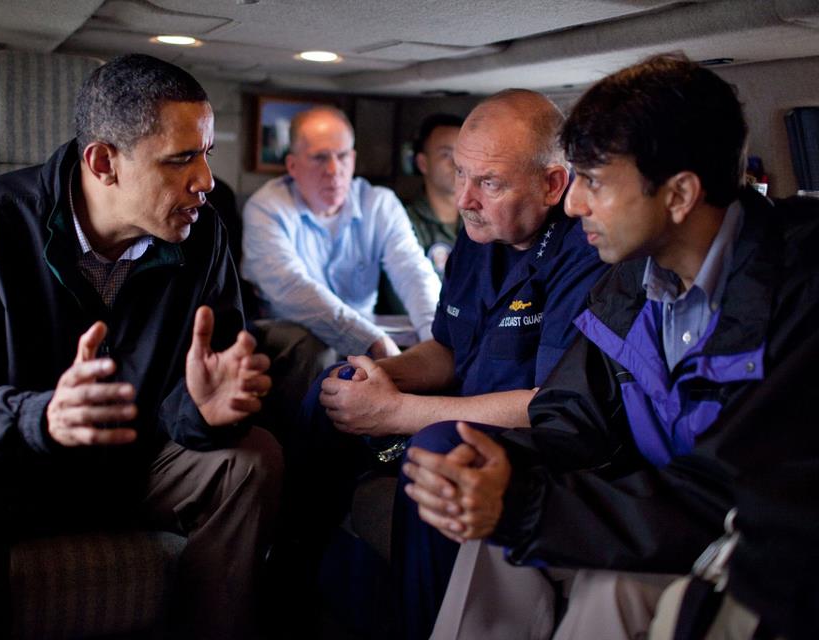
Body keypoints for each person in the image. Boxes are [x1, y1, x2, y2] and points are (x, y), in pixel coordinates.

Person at [404, 54, 819, 640]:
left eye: (594, 182)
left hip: (762, 544)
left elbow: (730, 490)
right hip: (667, 514)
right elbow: (572, 416)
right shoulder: (630, 282)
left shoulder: (801, 284)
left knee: (611, 586)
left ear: (678, 195)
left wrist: (527, 506)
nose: (573, 204)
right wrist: (493, 470)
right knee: (492, 533)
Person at [0, 54, 283, 638]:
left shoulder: (202, 237)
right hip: (17, 471)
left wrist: (202, 411)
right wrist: (38, 417)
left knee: (253, 458)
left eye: (205, 154)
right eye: (180, 159)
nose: (204, 181)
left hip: (138, 469)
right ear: (103, 163)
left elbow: (199, 389)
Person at [299, 89, 606, 639]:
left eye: (489, 183)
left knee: (438, 445)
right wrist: (378, 379)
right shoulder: (479, 232)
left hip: (534, 442)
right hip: (456, 410)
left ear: (553, 184)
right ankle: (291, 575)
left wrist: (396, 411)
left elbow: (550, 404)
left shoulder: (585, 252)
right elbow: (447, 349)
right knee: (333, 387)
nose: (464, 198)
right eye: (460, 173)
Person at [241, 105, 441, 360]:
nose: (334, 170)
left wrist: (436, 340)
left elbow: (412, 271)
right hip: (293, 336)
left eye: (343, 156)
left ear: (353, 159)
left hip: (366, 327)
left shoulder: (379, 204)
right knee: (314, 347)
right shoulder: (267, 208)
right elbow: (291, 288)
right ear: (292, 166)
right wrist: (372, 341)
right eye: (320, 158)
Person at [378, 113, 464, 314]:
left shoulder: (483, 222)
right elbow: (403, 298)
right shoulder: (402, 222)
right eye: (446, 155)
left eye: (463, 155)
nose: (457, 164)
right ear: (423, 163)